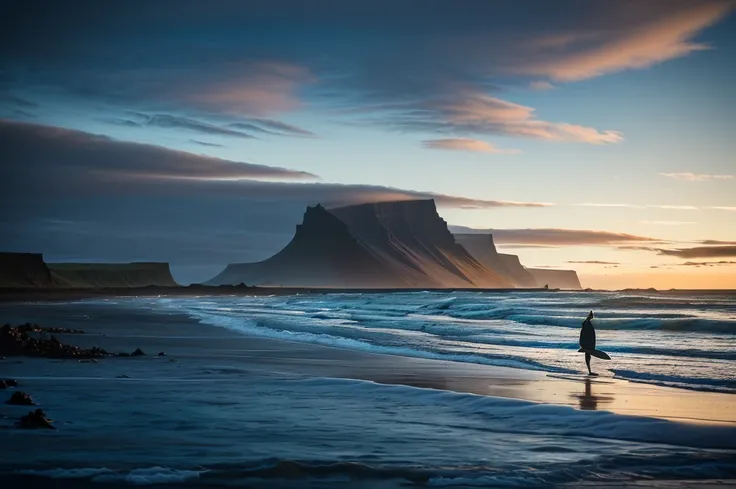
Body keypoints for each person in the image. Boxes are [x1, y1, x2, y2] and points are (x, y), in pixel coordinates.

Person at [579, 311, 596, 375]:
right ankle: (589, 372)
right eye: (592, 316)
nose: (592, 317)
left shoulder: (586, 322)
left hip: (586, 343)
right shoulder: (587, 323)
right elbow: (587, 334)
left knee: (588, 356)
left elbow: (583, 333)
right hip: (587, 344)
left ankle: (590, 371)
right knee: (588, 357)